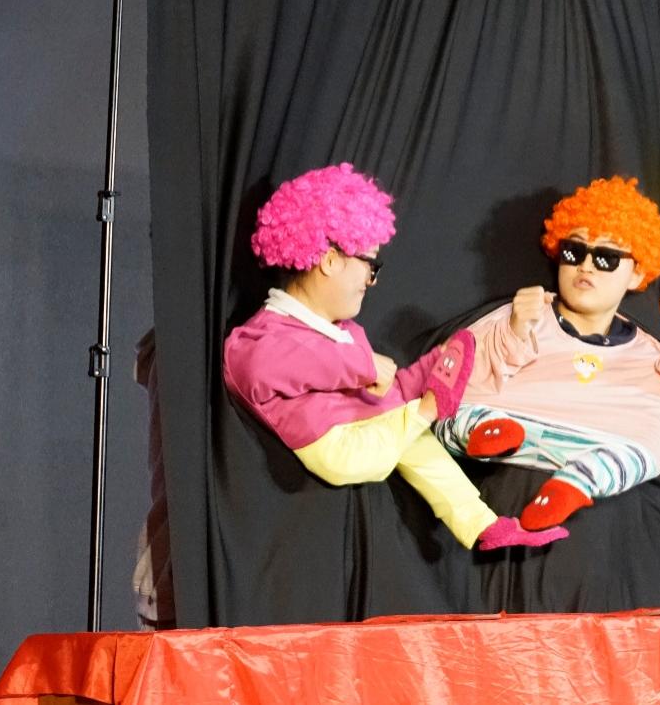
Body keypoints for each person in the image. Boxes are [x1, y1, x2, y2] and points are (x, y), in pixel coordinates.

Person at [222, 163, 566, 551]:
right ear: (330, 261)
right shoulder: (264, 335)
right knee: (367, 451)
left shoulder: (346, 333)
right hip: (330, 444)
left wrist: (428, 370)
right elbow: (259, 368)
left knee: (418, 442)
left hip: (371, 423)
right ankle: (430, 407)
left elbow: (383, 394)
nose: (372, 281)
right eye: (371, 266)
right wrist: (364, 367)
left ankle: (482, 524)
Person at [435, 176, 660, 530]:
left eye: (607, 257)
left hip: (593, 441)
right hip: (507, 419)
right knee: (457, 416)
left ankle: (578, 482)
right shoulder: (528, 311)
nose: (586, 265)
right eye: (574, 252)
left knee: (647, 451)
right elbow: (457, 371)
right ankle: (491, 434)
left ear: (636, 274)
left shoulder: (647, 351)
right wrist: (515, 331)